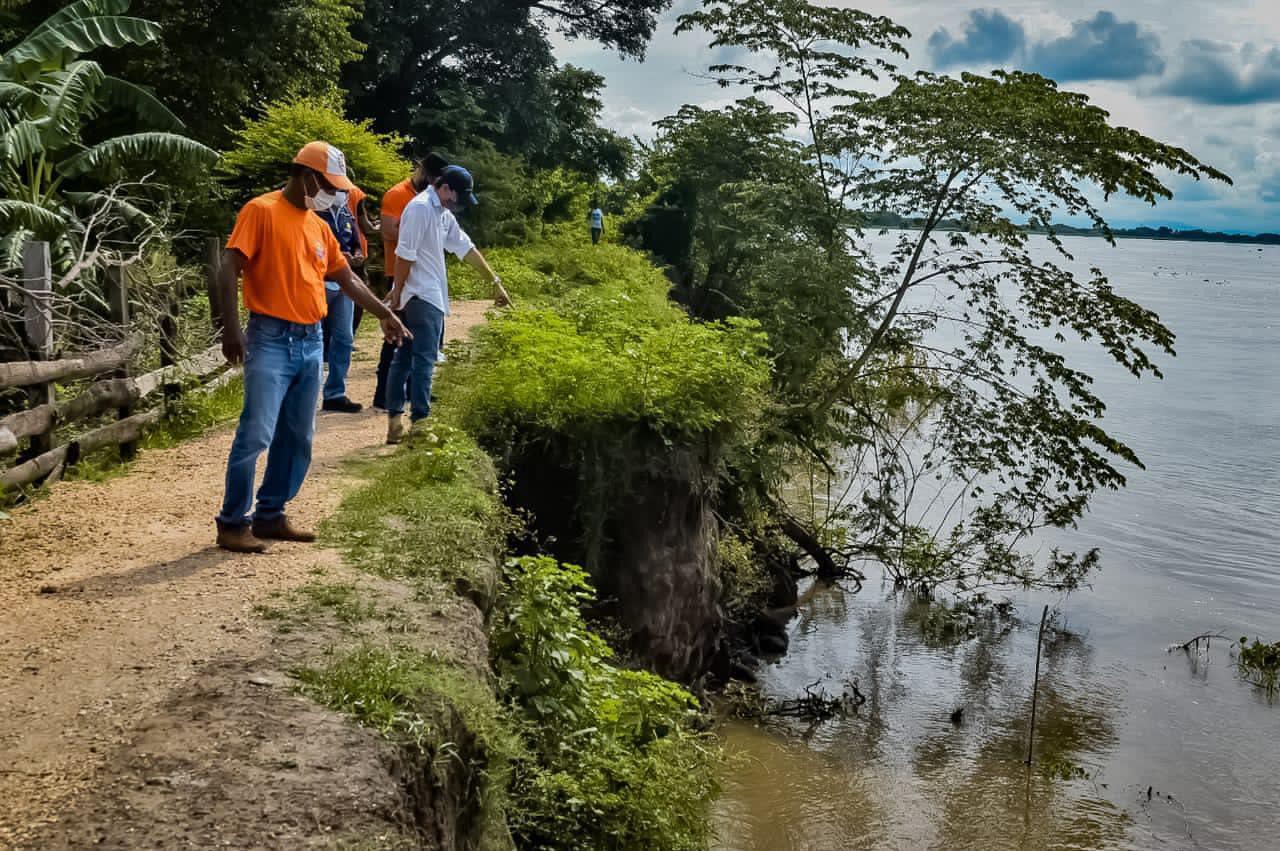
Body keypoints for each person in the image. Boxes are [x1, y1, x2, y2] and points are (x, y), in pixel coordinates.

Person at [214, 142, 411, 554]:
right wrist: (230, 330)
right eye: (329, 185)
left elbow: (347, 279)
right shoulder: (261, 211)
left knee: (299, 434)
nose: (335, 194)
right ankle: (233, 522)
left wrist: (384, 314)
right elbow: (227, 267)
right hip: (270, 338)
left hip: (310, 340)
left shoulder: (318, 225)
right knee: (257, 433)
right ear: (307, 177)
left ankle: (270, 514)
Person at [385, 165, 509, 444]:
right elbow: (404, 255)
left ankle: (395, 425)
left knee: (404, 360)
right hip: (419, 296)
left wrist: (494, 281)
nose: (459, 204)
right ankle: (419, 424)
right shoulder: (419, 209)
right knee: (423, 361)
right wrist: (396, 297)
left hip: (422, 295)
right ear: (445, 188)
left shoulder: (441, 214)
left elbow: (466, 248)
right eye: (458, 196)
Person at [372, 153, 450, 410]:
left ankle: (414, 391)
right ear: (424, 172)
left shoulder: (432, 201)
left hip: (422, 275)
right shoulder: (399, 195)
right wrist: (417, 229)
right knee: (395, 340)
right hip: (399, 271)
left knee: (418, 342)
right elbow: (387, 230)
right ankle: (383, 394)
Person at [316, 188, 364, 413]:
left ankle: (335, 392)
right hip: (319, 282)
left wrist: (356, 254)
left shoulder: (345, 213)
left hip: (344, 283)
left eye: (345, 190)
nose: (342, 193)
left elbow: (355, 241)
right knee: (313, 338)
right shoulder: (314, 211)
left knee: (344, 338)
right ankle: (304, 392)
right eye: (338, 189)